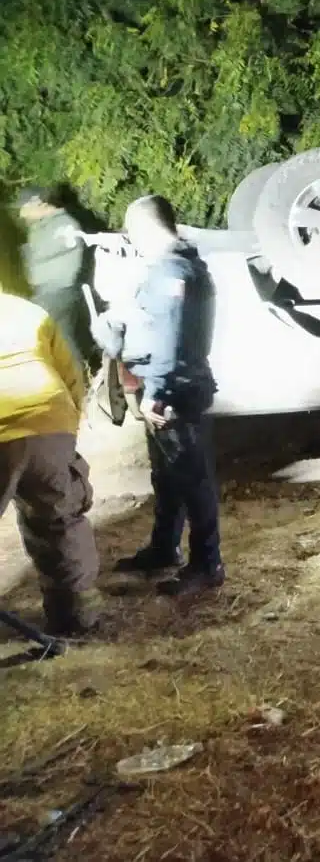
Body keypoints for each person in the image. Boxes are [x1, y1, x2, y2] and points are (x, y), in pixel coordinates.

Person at [92, 195, 224, 596]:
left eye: (133, 233)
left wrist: (157, 392)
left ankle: (207, 565)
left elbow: (169, 336)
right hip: (171, 383)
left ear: (146, 229)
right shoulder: (180, 265)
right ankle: (164, 549)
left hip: (175, 391)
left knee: (191, 478)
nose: (133, 242)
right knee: (167, 477)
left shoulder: (172, 270)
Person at [0, 288, 101, 636]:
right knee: (60, 519)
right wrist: (68, 428)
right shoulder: (27, 311)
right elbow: (70, 370)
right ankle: (78, 615)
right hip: (50, 419)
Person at [15, 188, 90, 371]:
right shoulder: (41, 226)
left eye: (24, 210)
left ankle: (79, 384)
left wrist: (21, 256)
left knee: (62, 342)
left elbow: (40, 253)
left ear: (37, 203)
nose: (23, 216)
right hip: (44, 292)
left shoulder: (65, 224)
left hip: (60, 292)